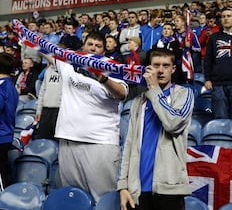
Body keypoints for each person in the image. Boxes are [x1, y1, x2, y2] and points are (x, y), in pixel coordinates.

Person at [42, 31, 128, 202]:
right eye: (90, 44)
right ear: (83, 46)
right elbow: (44, 49)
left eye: (98, 46)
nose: (93, 48)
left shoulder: (112, 69)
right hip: (68, 139)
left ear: (103, 51)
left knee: (104, 198)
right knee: (72, 195)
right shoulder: (67, 64)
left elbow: (122, 93)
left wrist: (103, 79)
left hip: (99, 142)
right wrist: (26, 35)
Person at [118, 48, 194, 210]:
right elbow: (129, 144)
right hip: (137, 188)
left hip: (169, 188)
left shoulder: (184, 94)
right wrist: (123, 185)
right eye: (156, 65)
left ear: (173, 69)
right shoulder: (139, 101)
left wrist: (154, 90)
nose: (160, 70)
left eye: (166, 65)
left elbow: (173, 123)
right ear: (149, 68)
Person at [0, 53, 19, 188]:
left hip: (1, 135)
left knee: (1, 177)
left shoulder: (2, 86)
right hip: (5, 135)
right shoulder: (10, 86)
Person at [34, 60, 61, 140]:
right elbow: (42, 91)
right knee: (43, 140)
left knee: (57, 141)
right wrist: (39, 111)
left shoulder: (68, 70)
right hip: (46, 111)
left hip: (60, 111)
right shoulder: (48, 70)